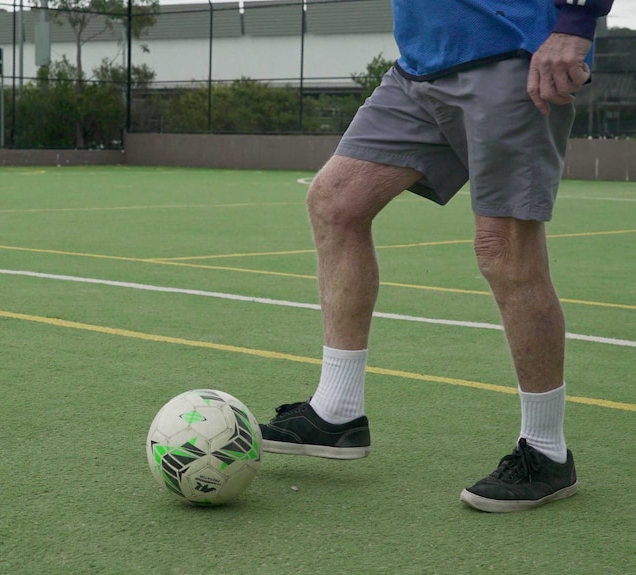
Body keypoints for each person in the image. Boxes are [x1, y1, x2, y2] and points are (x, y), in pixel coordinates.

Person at [260, 0, 615, 513]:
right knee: (335, 202)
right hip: (419, 66)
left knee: (505, 249)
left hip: (512, 54)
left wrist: (576, 23)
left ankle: (546, 451)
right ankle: (337, 411)